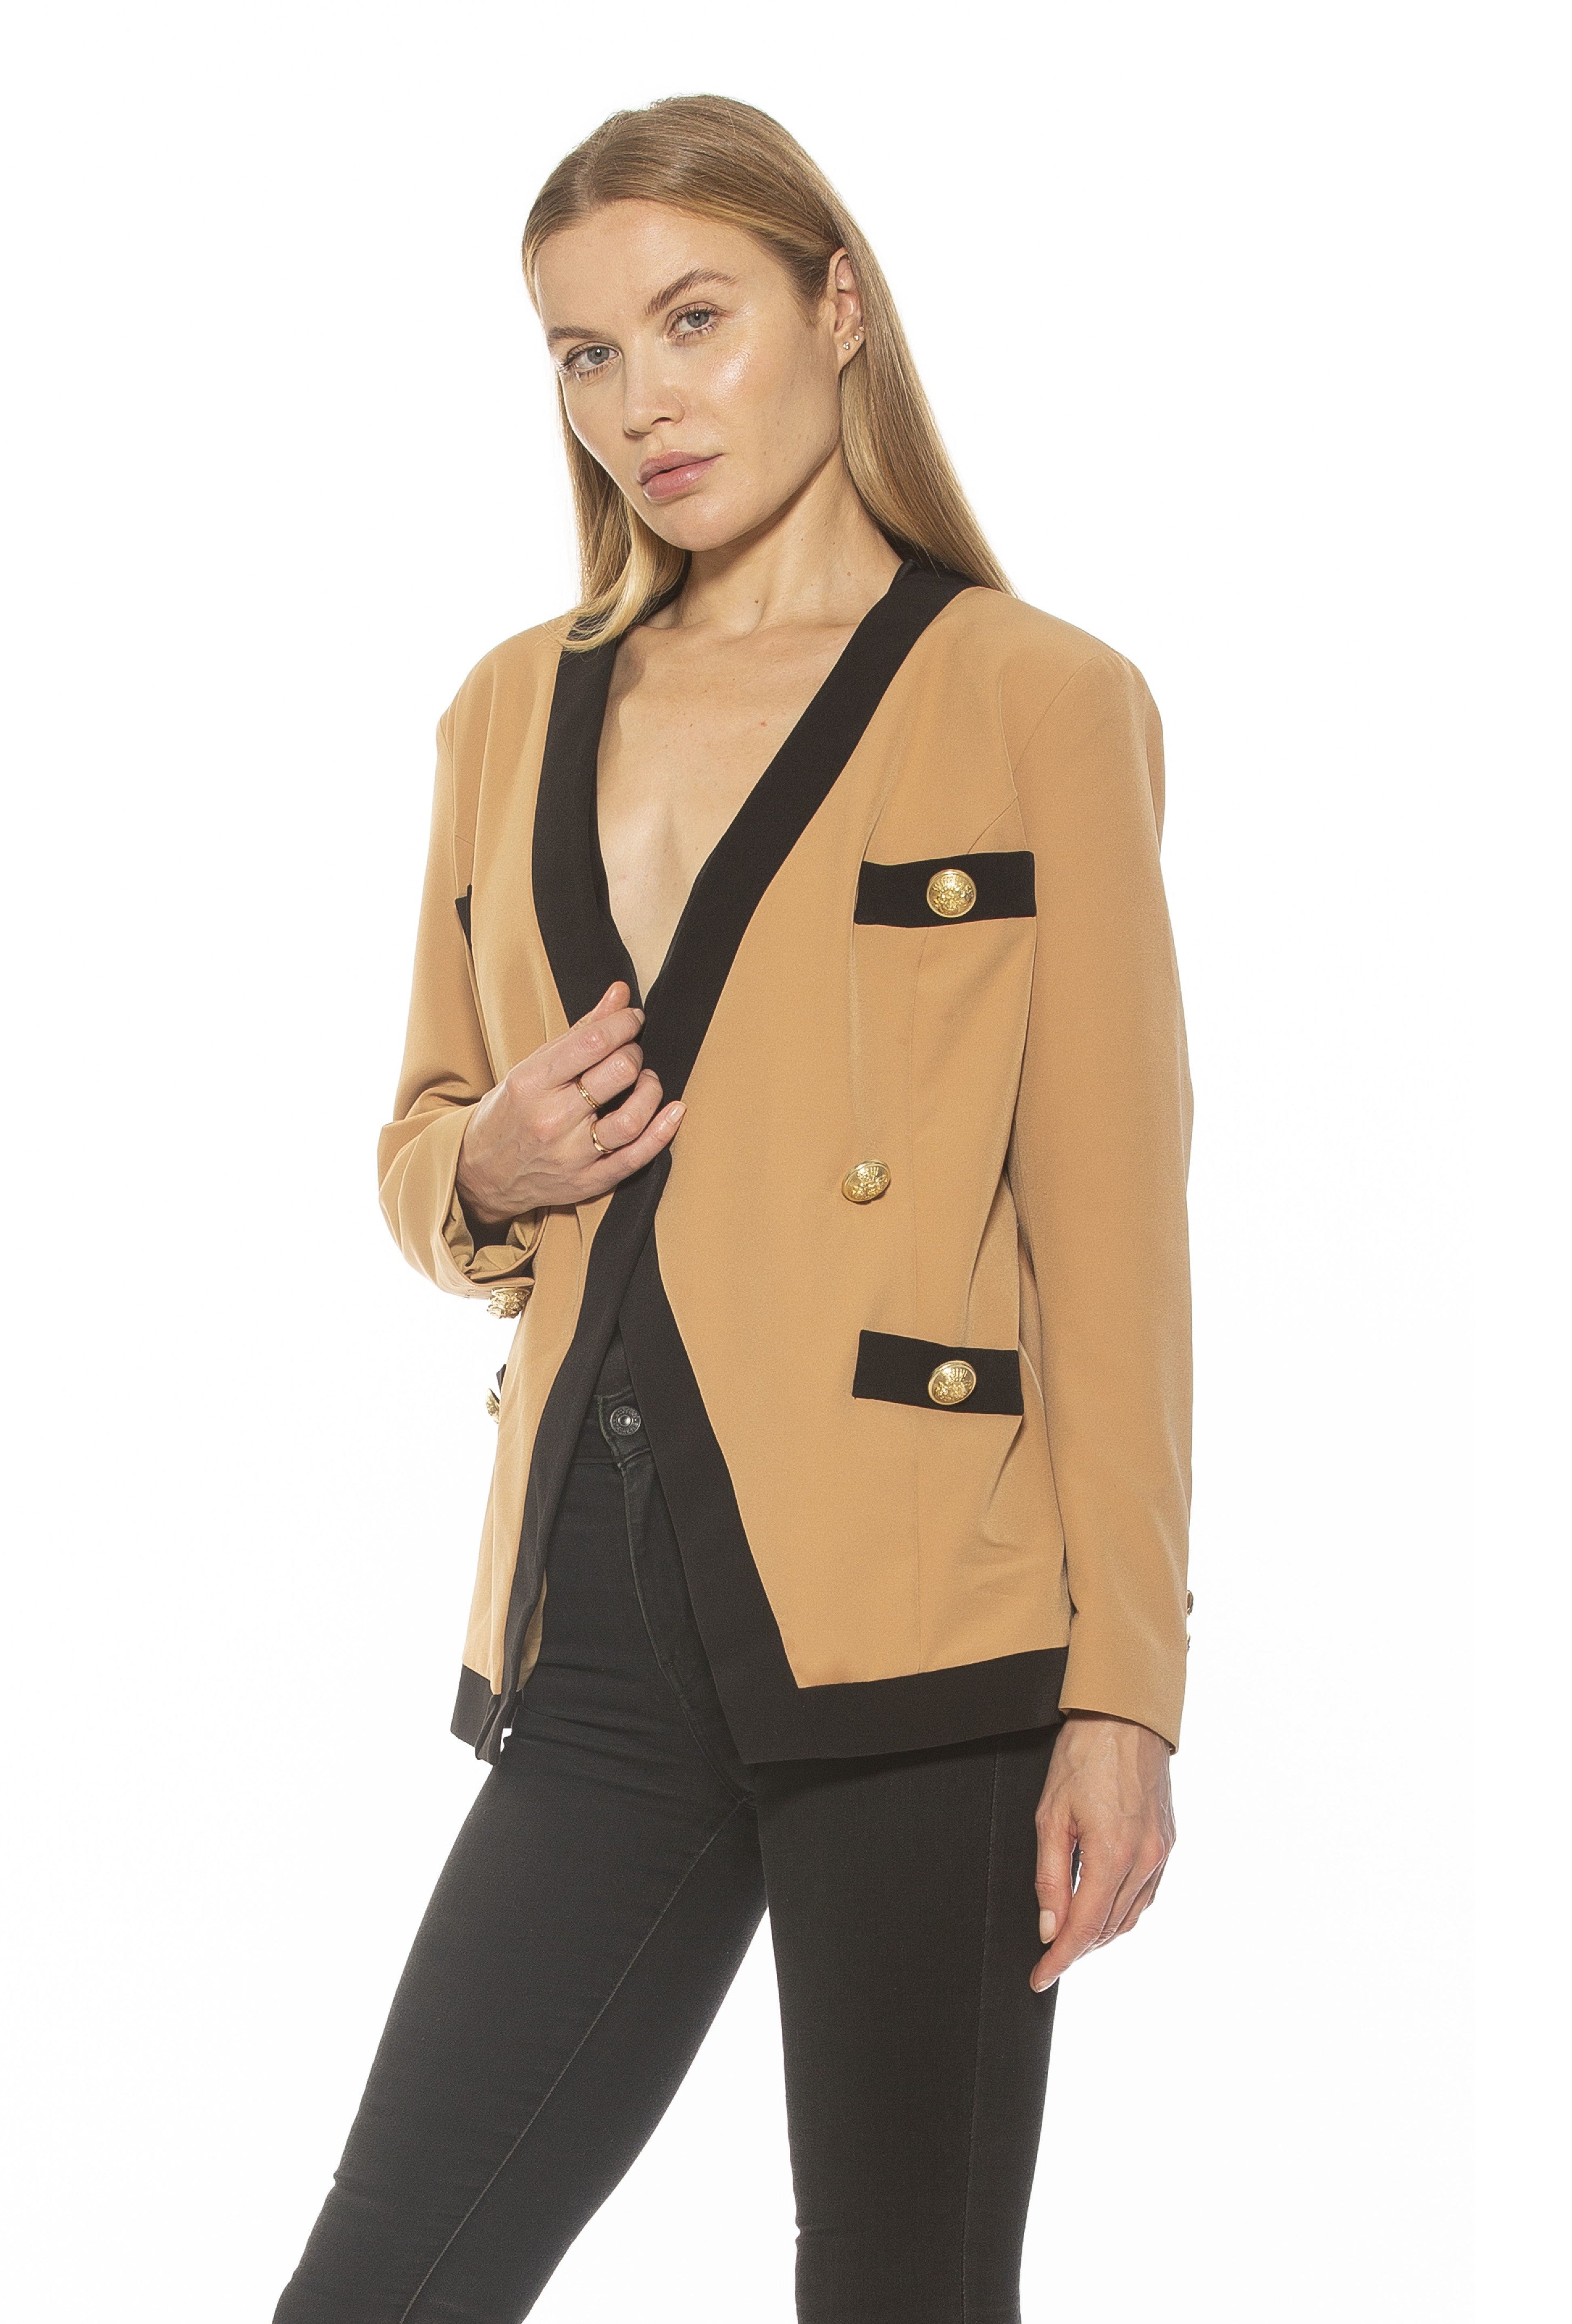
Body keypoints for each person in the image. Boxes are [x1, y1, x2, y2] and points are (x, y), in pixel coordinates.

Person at [275, 91, 1192, 2324]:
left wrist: (1126, 1696)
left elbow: (1115, 1232)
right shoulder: (510, 712)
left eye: (696, 322)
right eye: (586, 354)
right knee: (387, 2284)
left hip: (926, 1619)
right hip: (602, 1616)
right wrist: (484, 1168)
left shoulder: (1037, 699)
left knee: (902, 2293)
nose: (641, 405)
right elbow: (424, 1138)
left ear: (837, 305)